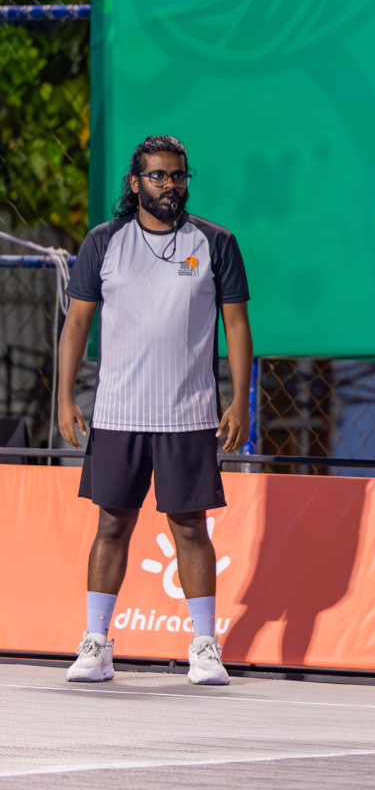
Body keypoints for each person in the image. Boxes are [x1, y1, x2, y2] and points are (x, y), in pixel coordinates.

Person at [56, 134, 253, 687]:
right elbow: (77, 324)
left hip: (188, 414)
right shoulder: (104, 242)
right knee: (112, 524)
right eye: (160, 176)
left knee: (190, 528)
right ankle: (96, 642)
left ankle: (204, 646)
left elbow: (236, 326)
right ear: (135, 182)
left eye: (179, 176)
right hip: (118, 411)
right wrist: (65, 395)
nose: (171, 186)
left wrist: (237, 399)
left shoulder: (216, 242)